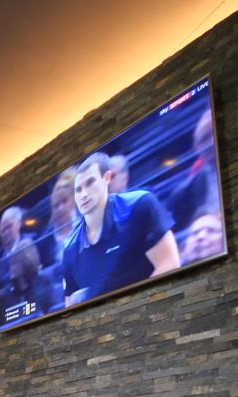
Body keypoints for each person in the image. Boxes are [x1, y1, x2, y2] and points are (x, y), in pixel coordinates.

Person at [62, 152, 180, 305]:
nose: (83, 194)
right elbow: (71, 304)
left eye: (90, 183)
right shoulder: (70, 248)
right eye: (78, 190)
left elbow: (169, 264)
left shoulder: (140, 204)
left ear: (106, 178)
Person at [168, 111, 221, 231]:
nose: (212, 142)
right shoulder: (183, 195)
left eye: (213, 132)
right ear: (198, 149)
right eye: (205, 138)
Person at [0, 239, 57, 321]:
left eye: (15, 263)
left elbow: (52, 309)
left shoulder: (44, 282)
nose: (11, 269)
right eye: (11, 264)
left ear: (26, 263)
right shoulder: (6, 294)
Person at [37, 169, 77, 271]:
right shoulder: (44, 243)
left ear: (74, 200)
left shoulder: (87, 221)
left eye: (64, 201)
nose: (60, 208)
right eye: (56, 205)